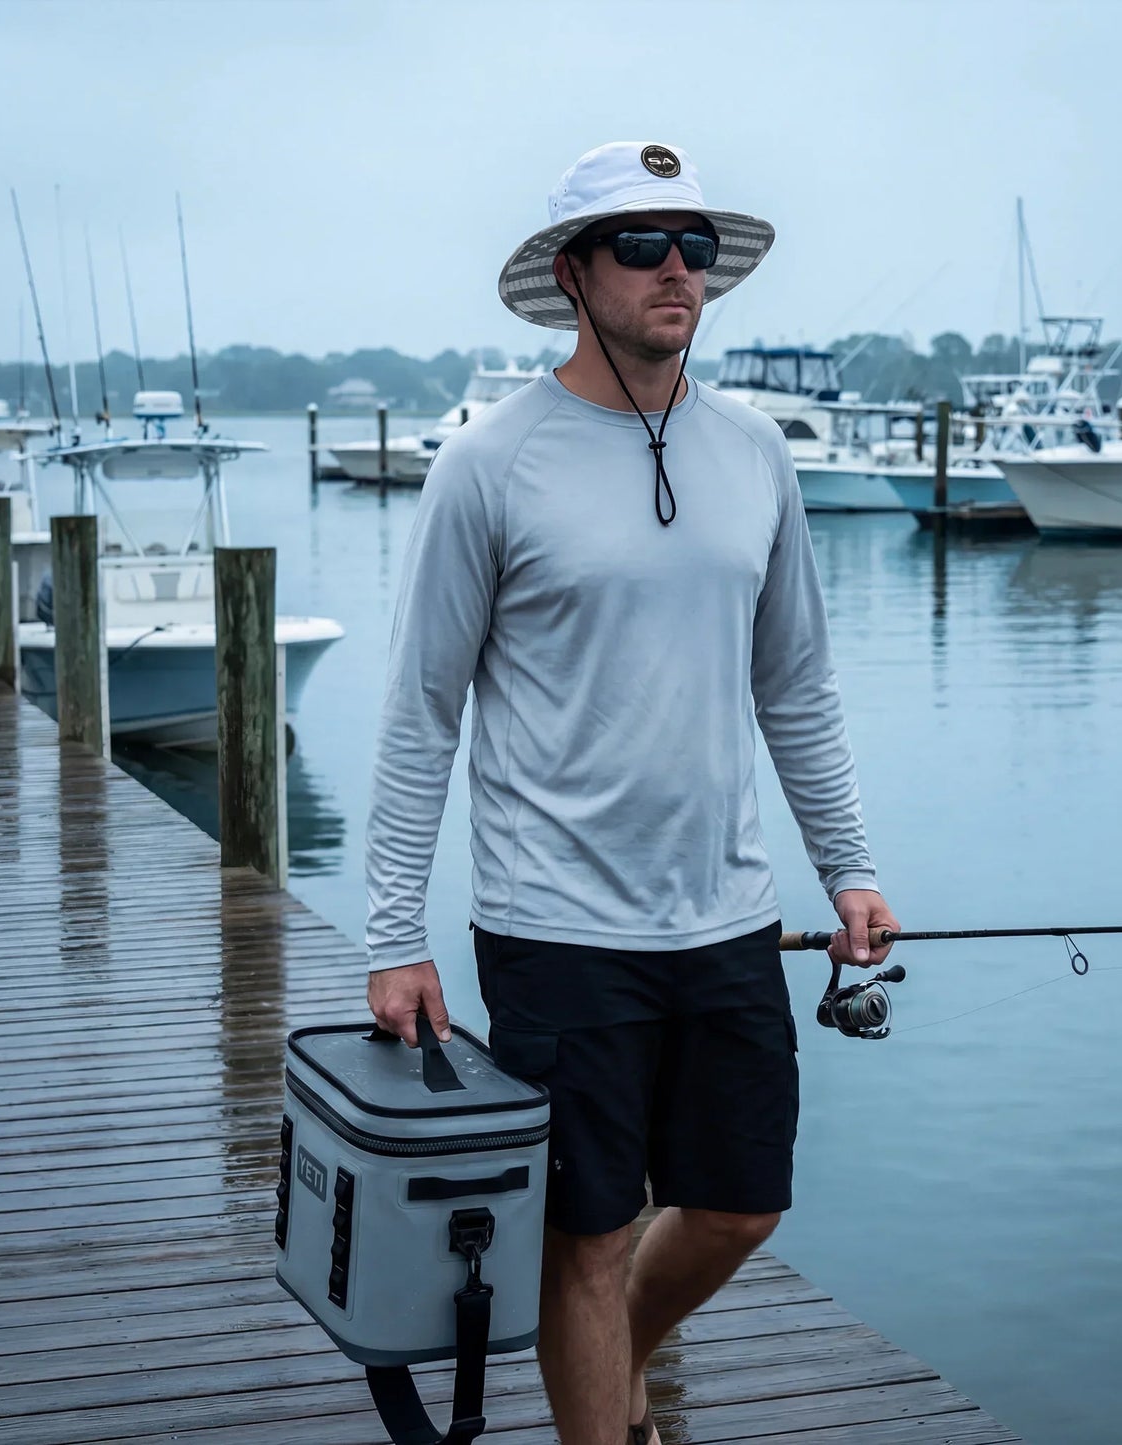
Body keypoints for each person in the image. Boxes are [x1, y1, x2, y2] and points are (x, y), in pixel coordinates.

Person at [366, 140, 899, 1445]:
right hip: (552, 924)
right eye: (643, 245)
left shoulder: (755, 456)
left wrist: (850, 868)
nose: (677, 270)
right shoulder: (489, 464)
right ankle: (601, 1409)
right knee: (587, 1237)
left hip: (724, 913)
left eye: (695, 246)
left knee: (736, 1207)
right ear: (571, 274)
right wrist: (391, 932)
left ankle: (596, 1365)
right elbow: (422, 707)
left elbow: (799, 691)